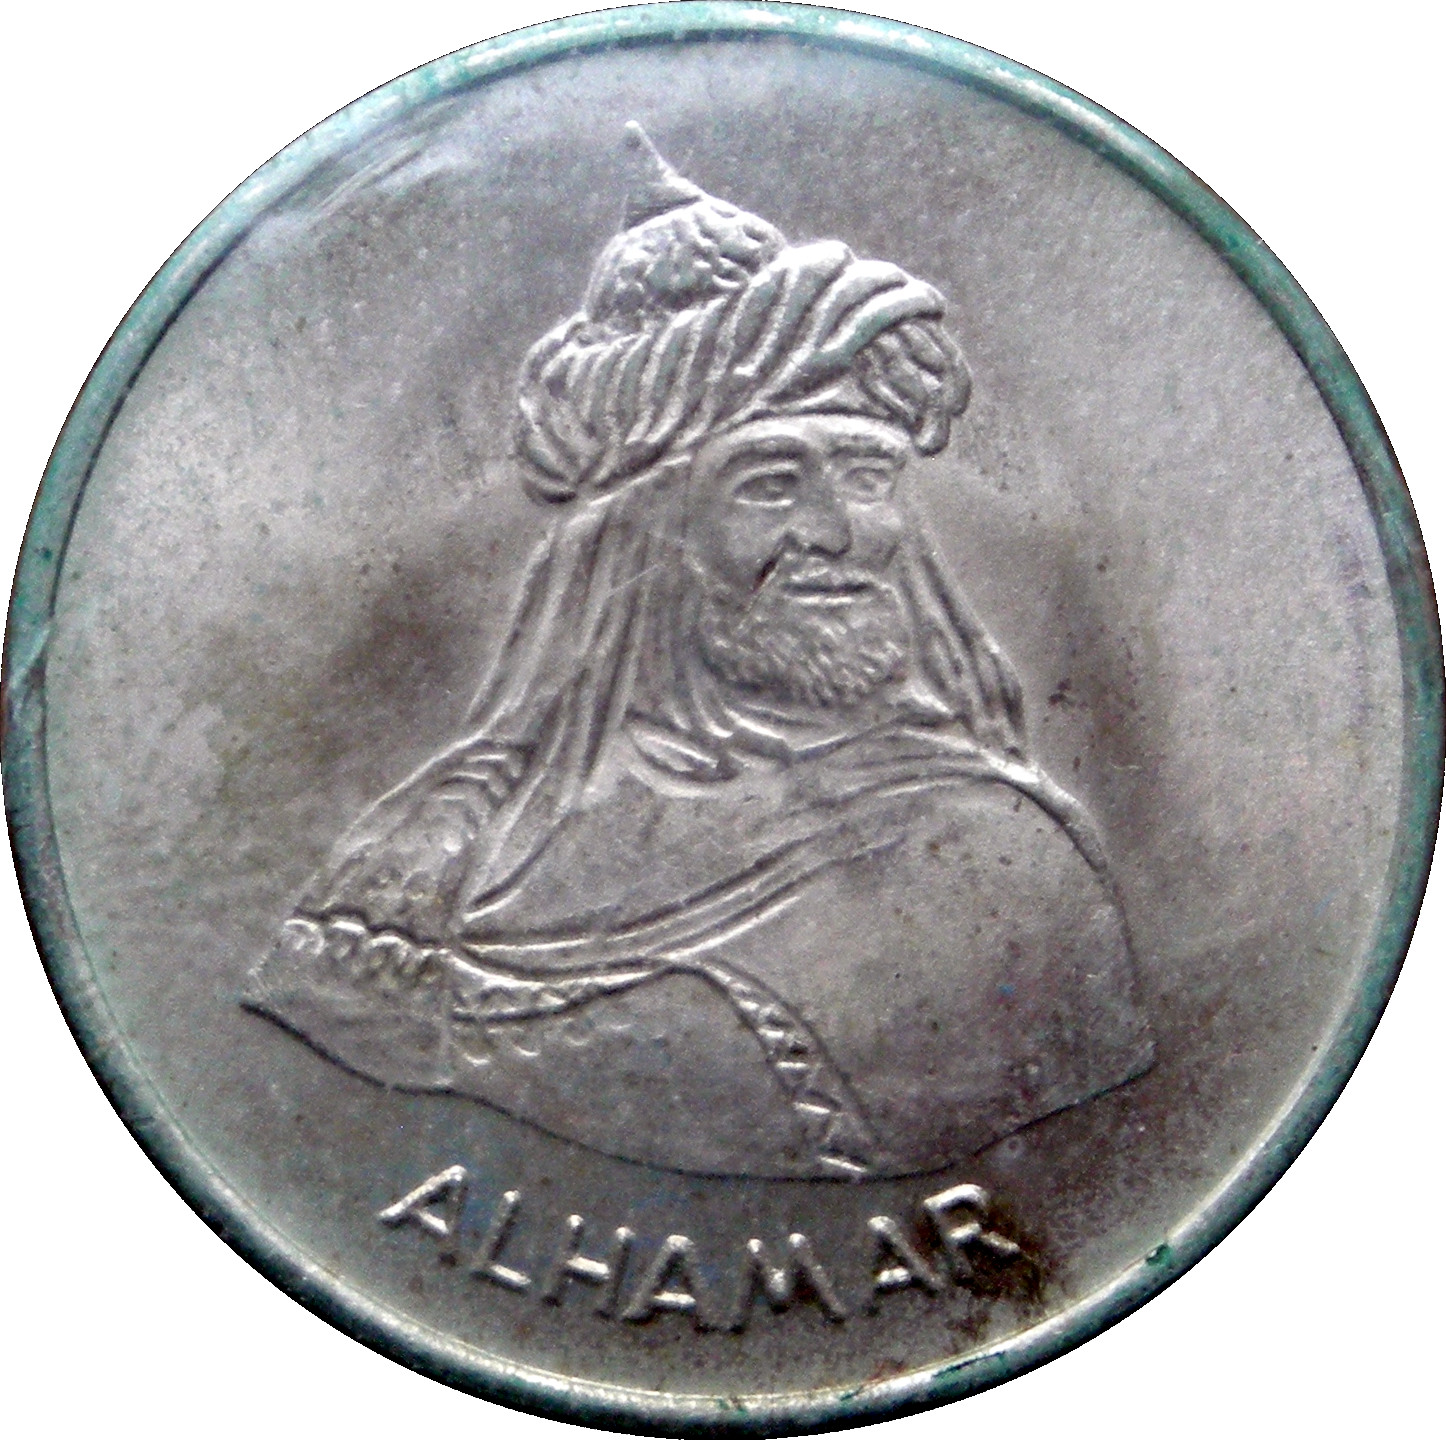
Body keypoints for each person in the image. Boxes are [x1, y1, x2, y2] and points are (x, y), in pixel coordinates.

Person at [246, 126, 1153, 1179]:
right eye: (770, 484)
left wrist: (471, 1051)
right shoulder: (430, 862)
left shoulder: (996, 859)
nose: (844, 535)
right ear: (640, 544)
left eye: (867, 479)